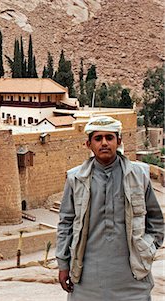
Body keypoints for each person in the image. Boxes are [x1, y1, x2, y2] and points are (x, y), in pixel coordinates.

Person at [56, 115, 164, 301]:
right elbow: (65, 223)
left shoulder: (139, 176)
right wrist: (63, 264)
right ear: (88, 144)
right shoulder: (76, 179)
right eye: (98, 138)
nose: (104, 143)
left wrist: (148, 248)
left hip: (132, 277)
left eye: (109, 137)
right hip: (87, 277)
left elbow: (156, 221)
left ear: (119, 141)